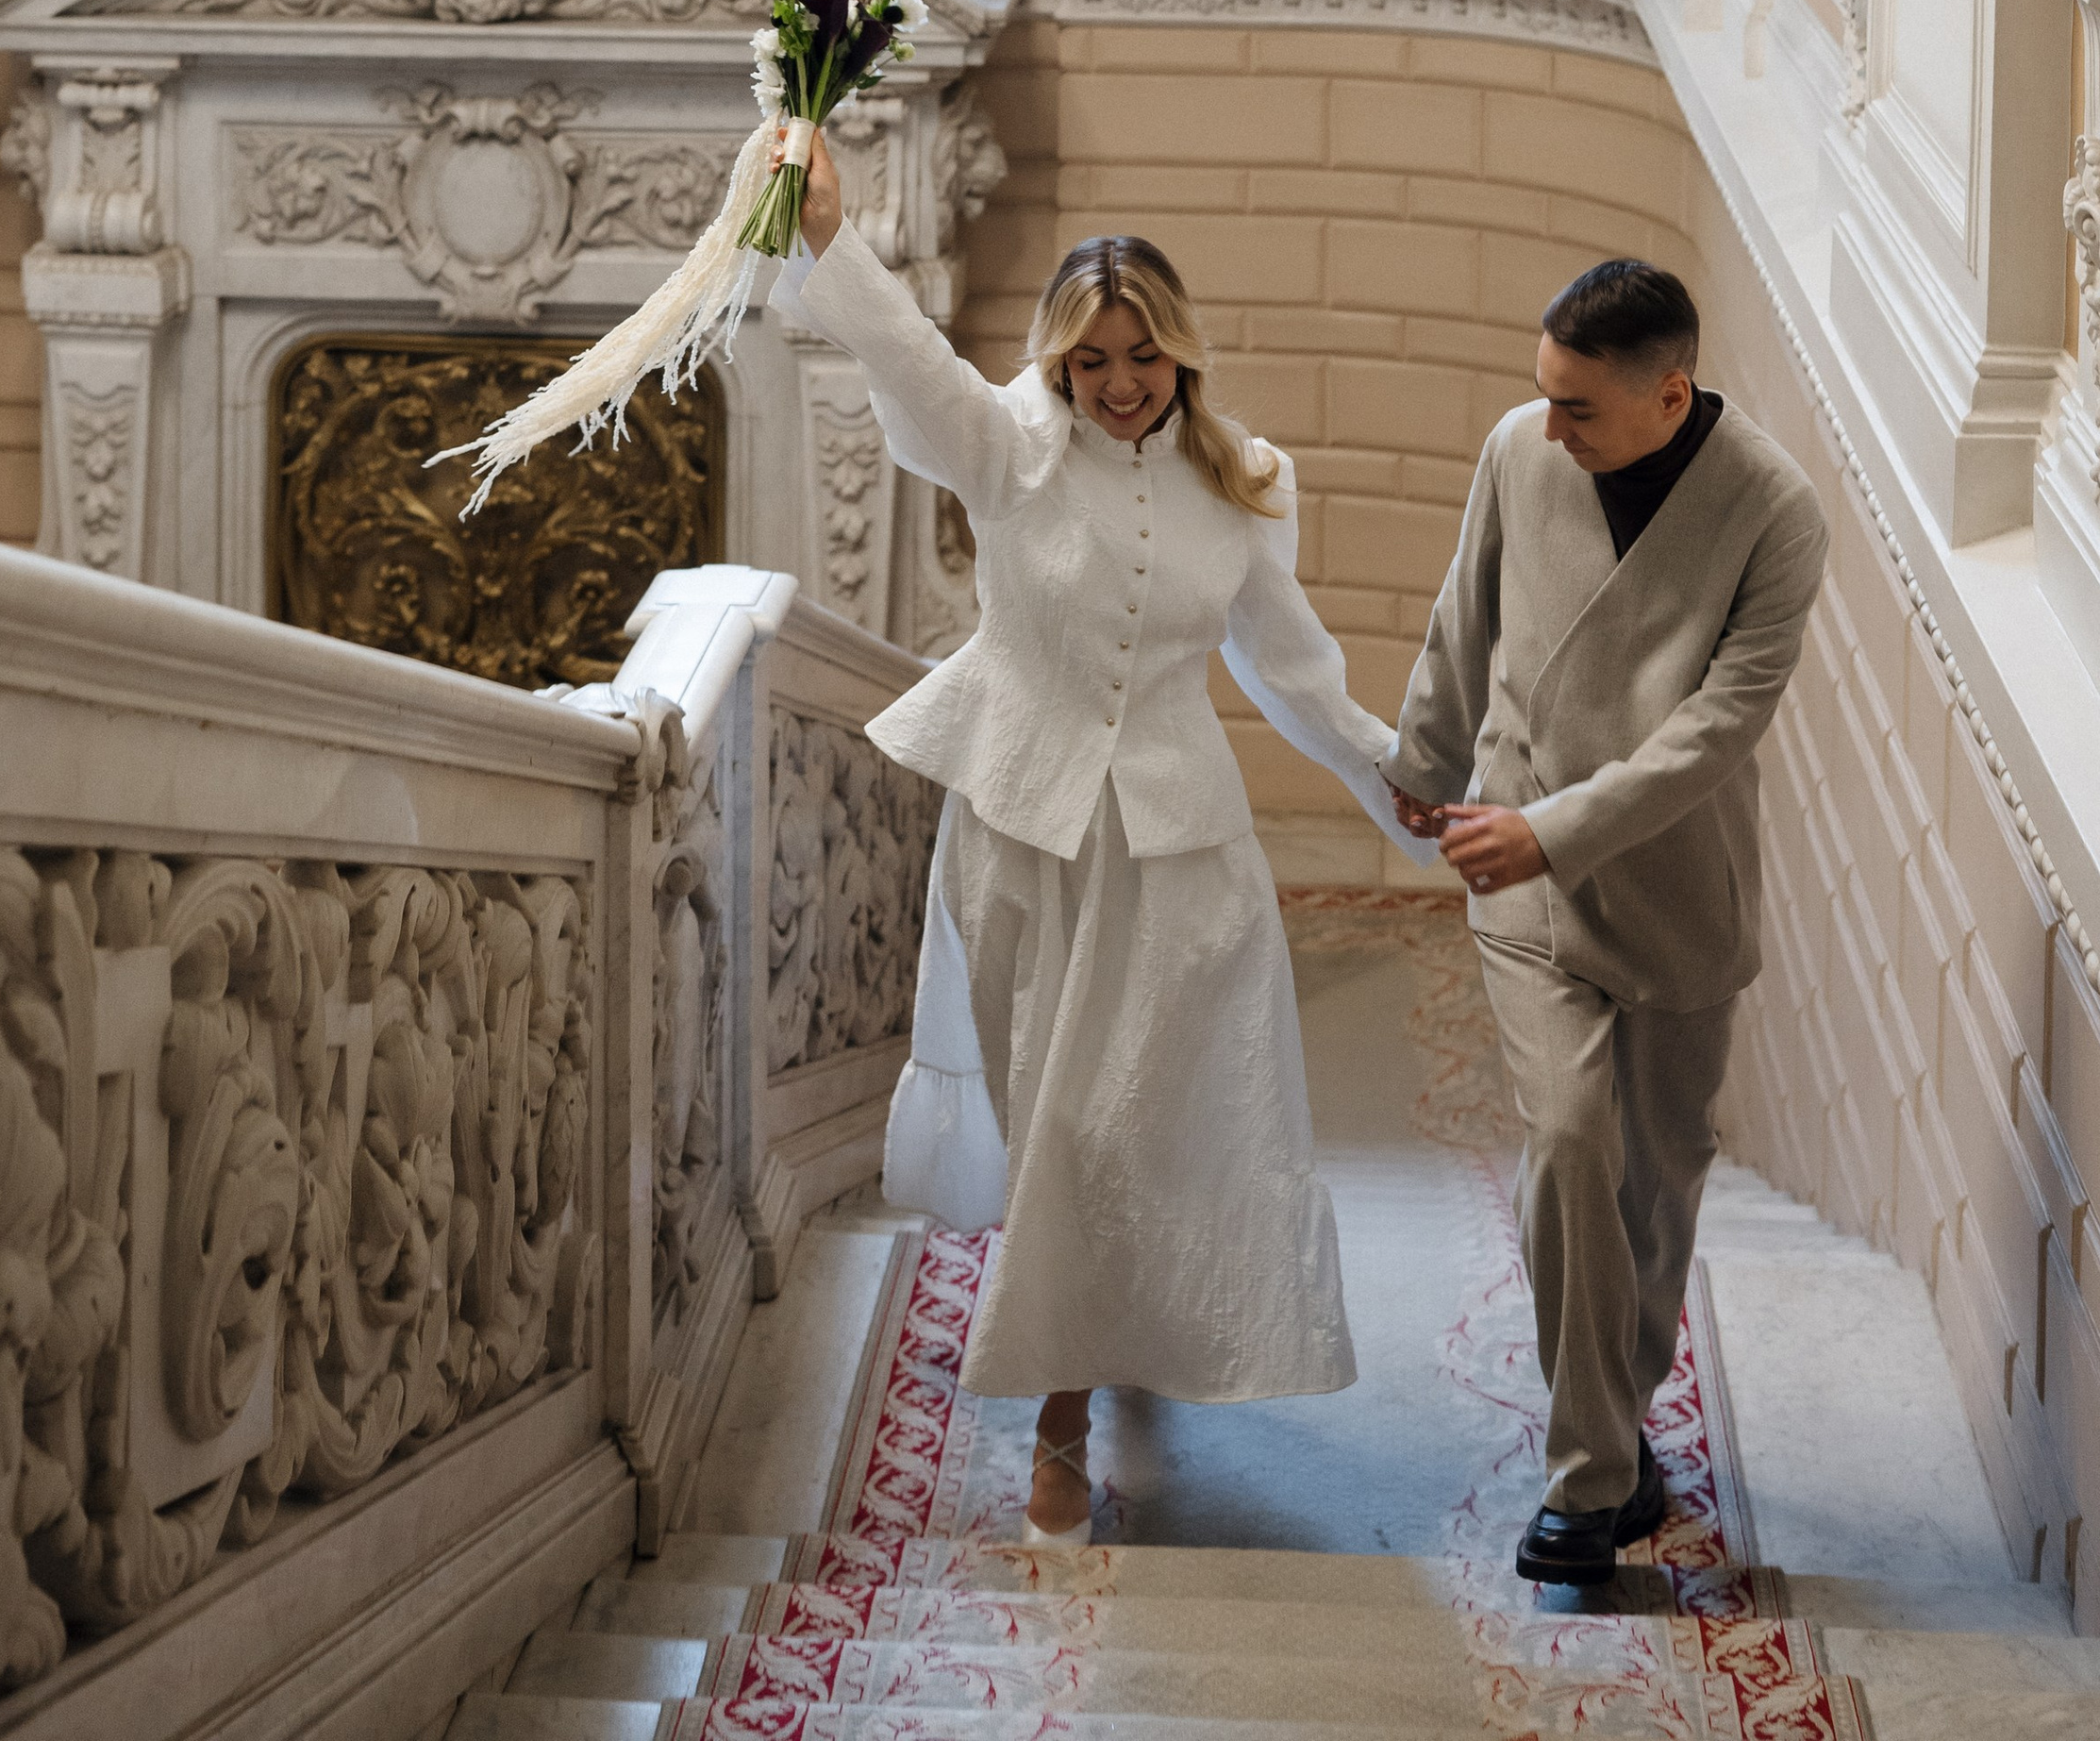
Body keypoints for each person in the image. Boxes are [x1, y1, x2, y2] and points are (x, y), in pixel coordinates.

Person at [777, 125, 1419, 1543]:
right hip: (1024, 836)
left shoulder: (1248, 478)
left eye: (1143, 357)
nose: (1120, 385)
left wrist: (1396, 782)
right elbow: (910, 361)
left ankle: (1097, 1381)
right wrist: (826, 231)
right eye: (1091, 361)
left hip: (1186, 856)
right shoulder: (1006, 448)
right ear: (1058, 363)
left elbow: (1292, 669)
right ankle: (1063, 1410)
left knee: (1149, 1125)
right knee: (1062, 1132)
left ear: (1181, 353)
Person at [1382, 259, 1826, 1586]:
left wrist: (1556, 829)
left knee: (1655, 1189)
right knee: (1570, 1143)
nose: (1550, 426)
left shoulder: (1775, 513)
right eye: (1546, 395)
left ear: (1669, 395)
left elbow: (1717, 729)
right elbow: (1465, 614)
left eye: (1578, 407)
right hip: (1527, 874)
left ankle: (1616, 1431)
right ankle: (1588, 1481)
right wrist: (1425, 759)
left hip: (1679, 891)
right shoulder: (1520, 452)